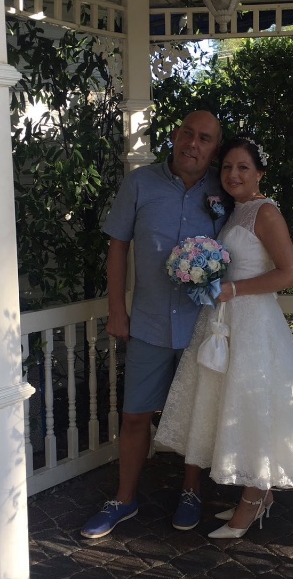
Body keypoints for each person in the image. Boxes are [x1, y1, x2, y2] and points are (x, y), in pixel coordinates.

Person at [155, 137, 293, 538]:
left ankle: (253, 500)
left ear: (260, 173)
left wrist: (234, 289)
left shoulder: (265, 211)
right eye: (227, 167)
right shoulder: (235, 212)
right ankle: (262, 495)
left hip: (253, 321)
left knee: (254, 407)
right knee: (233, 405)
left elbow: (291, 274)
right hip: (224, 320)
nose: (233, 174)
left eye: (243, 167)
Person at [81, 110, 229, 538]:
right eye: (187, 133)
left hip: (202, 325)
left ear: (214, 148)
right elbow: (117, 247)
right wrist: (116, 309)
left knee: (195, 413)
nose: (192, 144)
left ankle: (191, 490)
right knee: (134, 415)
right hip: (147, 323)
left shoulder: (224, 187)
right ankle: (124, 499)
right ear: (175, 135)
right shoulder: (140, 183)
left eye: (204, 138)